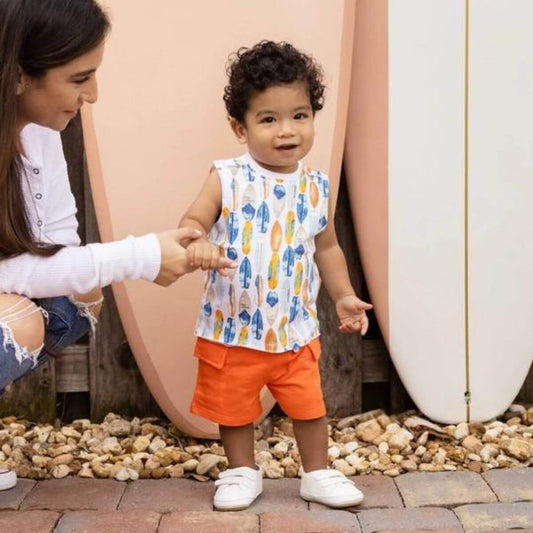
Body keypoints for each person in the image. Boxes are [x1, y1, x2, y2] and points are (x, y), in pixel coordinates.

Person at [0, 0, 235, 491]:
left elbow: (60, 252)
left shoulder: (38, 133)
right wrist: (143, 256)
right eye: (80, 78)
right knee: (16, 325)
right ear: (20, 75)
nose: (94, 94)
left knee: (75, 304)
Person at [180, 40, 373, 511]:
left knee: (310, 406)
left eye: (300, 116)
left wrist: (344, 296)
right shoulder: (227, 176)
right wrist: (195, 238)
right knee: (234, 407)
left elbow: (325, 246)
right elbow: (194, 219)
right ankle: (241, 471)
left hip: (293, 328)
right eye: (268, 119)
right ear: (240, 128)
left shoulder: (315, 185)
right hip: (233, 326)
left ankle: (317, 471)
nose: (287, 131)